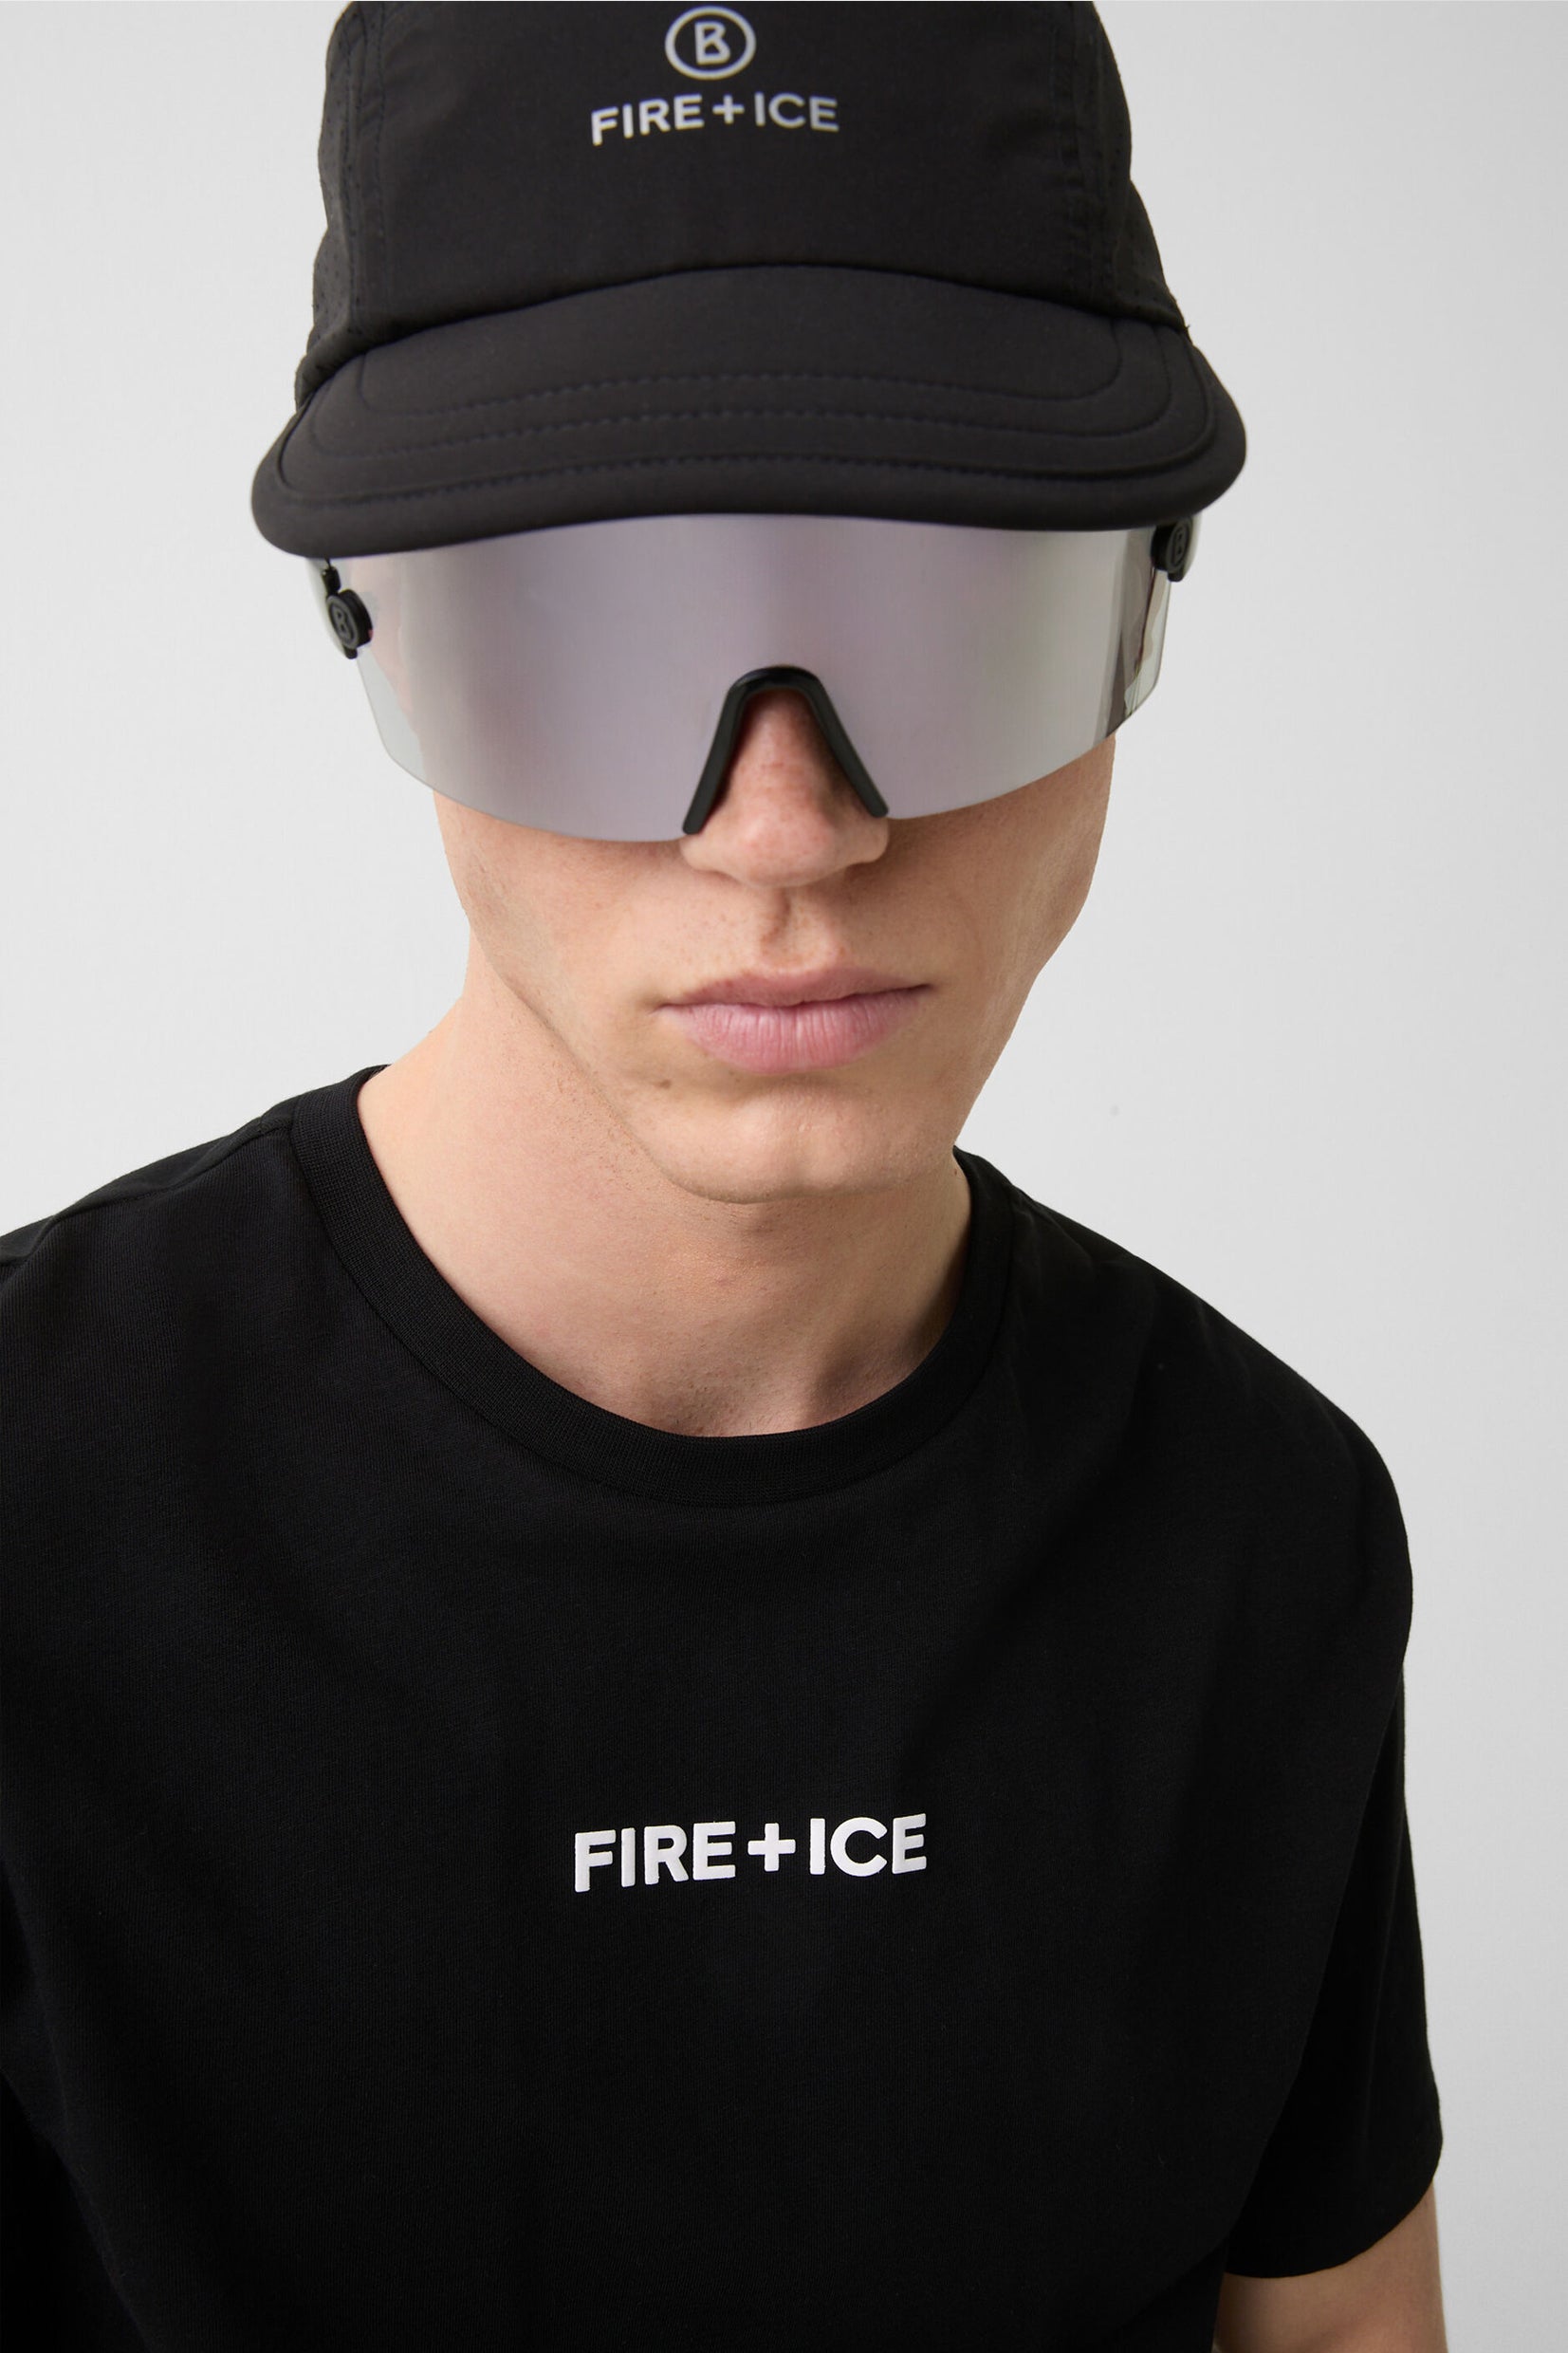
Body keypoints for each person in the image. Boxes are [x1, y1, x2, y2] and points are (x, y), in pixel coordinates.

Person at [1, 7, 1447, 2348]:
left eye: (947, 608)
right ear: (372, 632)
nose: (786, 831)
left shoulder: (1253, 1524)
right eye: (585, 630)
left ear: (1143, 603)